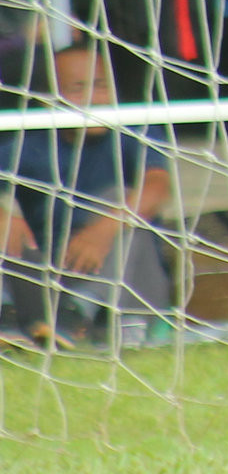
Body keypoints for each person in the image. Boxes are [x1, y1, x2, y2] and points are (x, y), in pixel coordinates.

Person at [0, 44, 173, 350]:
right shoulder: (29, 143)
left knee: (120, 198)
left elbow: (158, 186)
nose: (94, 98)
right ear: (46, 99)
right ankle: (11, 316)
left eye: (102, 86)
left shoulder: (134, 130)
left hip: (125, 290)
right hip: (55, 275)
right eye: (79, 88)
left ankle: (79, 314)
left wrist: (104, 230)